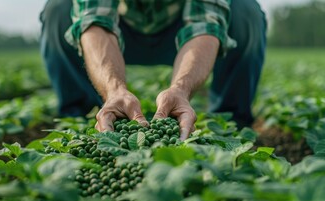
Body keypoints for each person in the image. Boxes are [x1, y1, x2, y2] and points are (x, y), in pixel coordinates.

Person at [40, 0, 267, 140]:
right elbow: (94, 20)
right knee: (58, 9)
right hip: (120, 32)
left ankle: (230, 126)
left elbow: (206, 24)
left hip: (182, 35)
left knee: (245, 11)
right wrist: (115, 91)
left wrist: (180, 89)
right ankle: (85, 120)